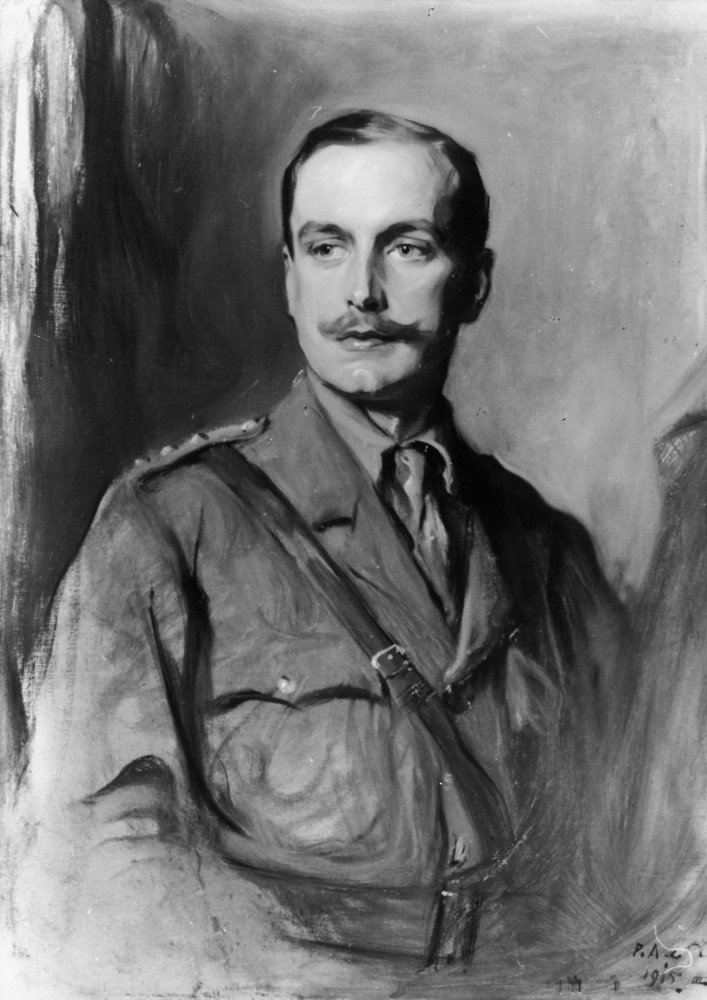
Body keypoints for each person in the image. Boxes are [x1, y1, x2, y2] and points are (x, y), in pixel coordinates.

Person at [12, 111, 625, 992]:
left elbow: (624, 849)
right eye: (328, 248)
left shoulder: (550, 555)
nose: (362, 293)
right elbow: (96, 882)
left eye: (407, 247)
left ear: (475, 283)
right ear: (291, 280)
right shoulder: (167, 527)